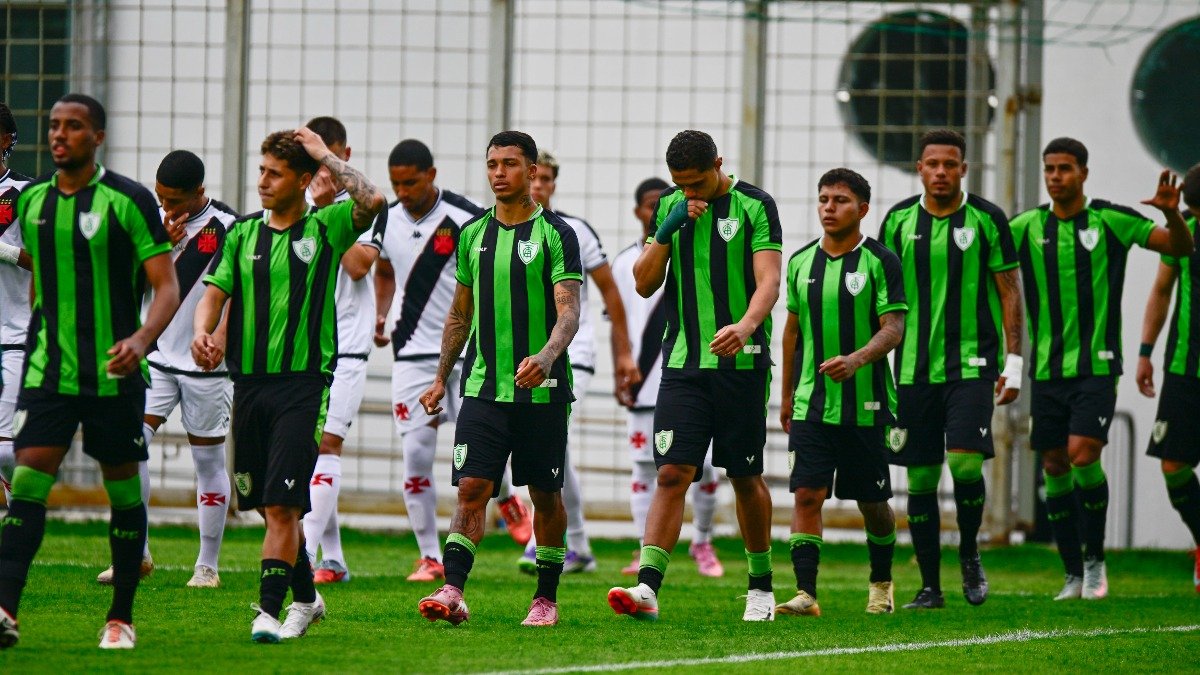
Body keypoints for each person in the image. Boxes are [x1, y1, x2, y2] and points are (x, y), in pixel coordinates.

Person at [0, 94, 180, 650]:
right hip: (50, 371)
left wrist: (140, 340)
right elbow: (40, 282)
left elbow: (165, 285)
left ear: (97, 136)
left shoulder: (128, 201)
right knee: (27, 480)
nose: (60, 135)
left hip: (113, 373)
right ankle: (5, 609)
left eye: (73, 127)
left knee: (123, 494)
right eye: (53, 125)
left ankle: (120, 616)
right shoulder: (32, 203)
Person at [193, 127, 385, 642]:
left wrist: (324, 154)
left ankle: (267, 611)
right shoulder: (241, 235)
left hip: (303, 385)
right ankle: (306, 598)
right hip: (248, 384)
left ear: (303, 180)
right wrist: (202, 332)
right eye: (261, 171)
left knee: (281, 505)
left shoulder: (325, 228)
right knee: (268, 506)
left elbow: (373, 198)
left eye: (275, 174)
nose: (263, 181)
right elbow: (214, 293)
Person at [608, 129, 781, 622]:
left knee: (744, 476)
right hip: (682, 364)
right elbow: (643, 285)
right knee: (672, 471)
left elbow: (769, 278)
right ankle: (647, 587)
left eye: (698, 183)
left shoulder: (755, 205)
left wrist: (746, 327)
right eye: (681, 184)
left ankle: (761, 588)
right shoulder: (670, 207)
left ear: (719, 164)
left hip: (741, 364)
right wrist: (668, 228)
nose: (691, 192)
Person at [1010, 137, 1193, 600]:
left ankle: (1095, 564)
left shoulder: (1110, 219)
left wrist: (1172, 213)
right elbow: (984, 263)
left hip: (1097, 365)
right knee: (1052, 462)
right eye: (1049, 169)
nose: (1056, 177)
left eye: (1065, 169)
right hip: (1047, 370)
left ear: (1084, 174)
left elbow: (1180, 246)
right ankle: (1072, 571)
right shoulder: (1026, 226)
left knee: (1083, 453)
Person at [416, 130, 581, 627]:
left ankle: (546, 598)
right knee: (473, 486)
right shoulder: (472, 235)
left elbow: (569, 313)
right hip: (483, 387)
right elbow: (459, 315)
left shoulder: (556, 235)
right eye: (492, 164)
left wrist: (547, 357)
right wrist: (439, 377)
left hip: (542, 389)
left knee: (545, 496)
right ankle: (452, 590)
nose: (498, 173)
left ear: (532, 172)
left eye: (509, 164)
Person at [877, 129, 1024, 609]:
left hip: (971, 365)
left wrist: (1015, 362)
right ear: (919, 167)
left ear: (964, 169)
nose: (941, 171)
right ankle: (929, 587)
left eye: (951, 164)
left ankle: (968, 551)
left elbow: (1009, 290)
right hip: (913, 370)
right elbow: (881, 298)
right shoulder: (897, 220)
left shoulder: (987, 218)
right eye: (933, 163)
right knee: (919, 481)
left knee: (963, 463)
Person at [374, 139, 532, 582]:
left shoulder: (467, 218)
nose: (403, 191)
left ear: (431, 174)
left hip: (468, 352)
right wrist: (381, 313)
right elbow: (383, 270)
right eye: (396, 184)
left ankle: (506, 500)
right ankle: (429, 555)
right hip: (409, 353)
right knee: (416, 455)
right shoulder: (385, 218)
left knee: (480, 449)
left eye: (411, 182)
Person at [93, 151, 238, 590]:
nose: (167, 207)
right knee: (129, 445)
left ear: (200, 192)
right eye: (160, 198)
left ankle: (206, 565)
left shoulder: (229, 228)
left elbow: (235, 292)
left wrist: (221, 341)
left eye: (175, 200)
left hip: (204, 367)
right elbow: (121, 281)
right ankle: (135, 553)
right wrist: (158, 242)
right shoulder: (148, 222)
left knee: (208, 460)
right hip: (153, 358)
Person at [776, 168, 905, 617]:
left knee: (872, 502)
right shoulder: (799, 262)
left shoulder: (881, 261)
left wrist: (857, 359)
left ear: (862, 209)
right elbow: (791, 334)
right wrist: (788, 395)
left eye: (841, 200)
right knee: (806, 495)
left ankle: (882, 582)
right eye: (824, 199)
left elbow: (894, 328)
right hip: (812, 404)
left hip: (866, 406)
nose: (829, 207)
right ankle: (806, 593)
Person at [516, 150, 639, 574]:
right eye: (536, 177)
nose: (538, 185)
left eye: (547, 178)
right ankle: (578, 546)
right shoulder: (498, 228)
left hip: (572, 356)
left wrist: (623, 354)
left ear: (551, 182)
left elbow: (610, 294)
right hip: (521, 359)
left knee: (545, 440)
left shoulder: (574, 232)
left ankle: (551, 542)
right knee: (551, 448)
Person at [610, 177, 723, 578]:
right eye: (649, 205)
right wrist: (620, 365)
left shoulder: (700, 247)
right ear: (640, 211)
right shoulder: (625, 262)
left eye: (663, 202)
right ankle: (646, 549)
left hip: (692, 373)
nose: (656, 209)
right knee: (645, 468)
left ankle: (703, 541)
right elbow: (619, 321)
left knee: (706, 468)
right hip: (643, 380)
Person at [298, 116, 386, 585]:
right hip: (304, 349)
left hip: (348, 348)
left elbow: (355, 267)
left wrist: (326, 206)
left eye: (325, 161)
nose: (320, 172)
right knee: (310, 450)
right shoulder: (296, 206)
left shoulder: (362, 207)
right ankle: (333, 557)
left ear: (341, 157)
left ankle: (307, 555)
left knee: (328, 444)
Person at [1136, 161, 1200, 593]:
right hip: (1184, 367)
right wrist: (1145, 352)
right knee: (1174, 465)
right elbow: (1161, 289)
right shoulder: (1185, 230)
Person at [0, 102, 32, 504]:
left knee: (6, 448)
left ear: (6, 140)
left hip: (17, 333)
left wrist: (6, 252)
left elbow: (46, 263)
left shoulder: (27, 194)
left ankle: (21, 498)